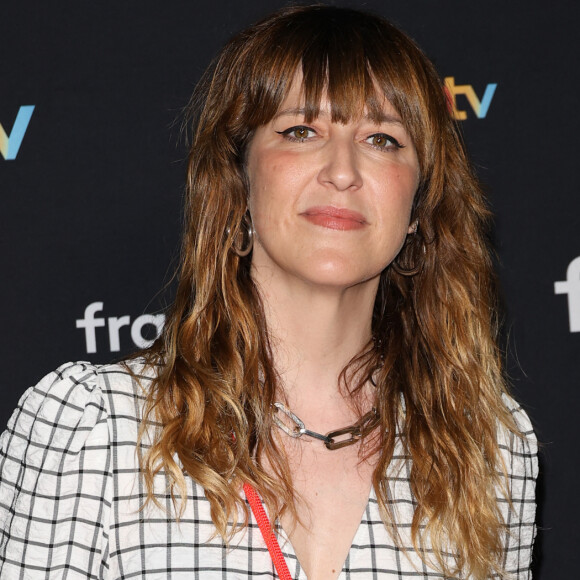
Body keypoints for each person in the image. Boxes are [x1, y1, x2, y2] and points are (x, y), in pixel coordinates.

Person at [0, 5, 537, 579]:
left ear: (417, 208)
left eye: (382, 139)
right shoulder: (94, 427)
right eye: (301, 131)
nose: (342, 170)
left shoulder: (490, 449)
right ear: (239, 182)